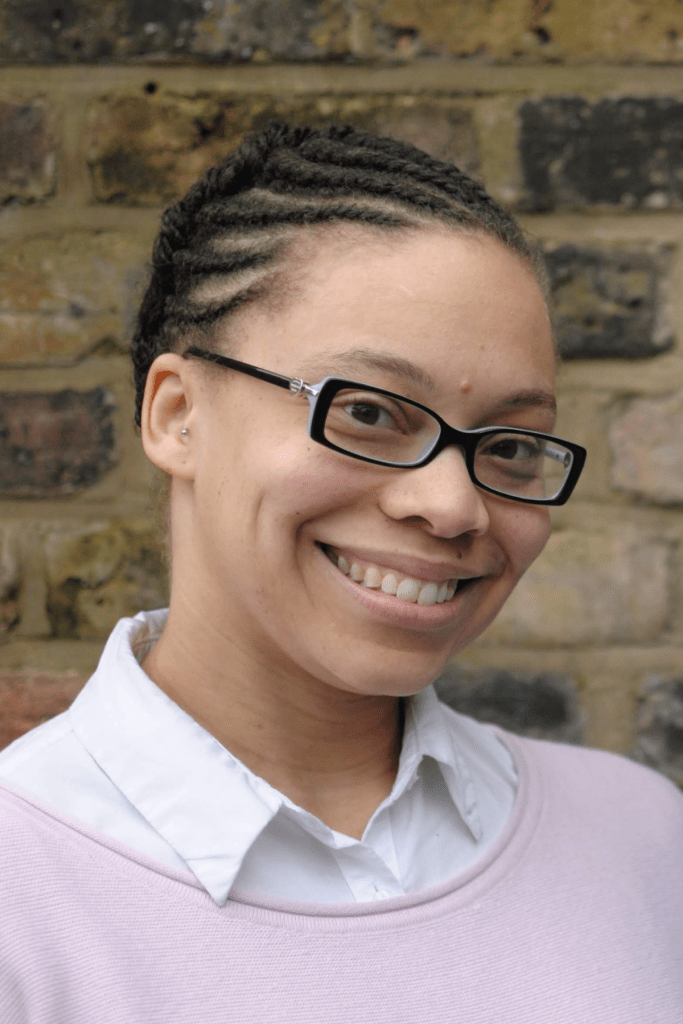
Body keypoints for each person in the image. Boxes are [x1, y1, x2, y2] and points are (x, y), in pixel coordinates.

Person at [0, 122, 681, 1023]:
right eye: (366, 411)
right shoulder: (24, 889)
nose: (451, 506)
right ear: (175, 415)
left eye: (509, 444)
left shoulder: (640, 836)